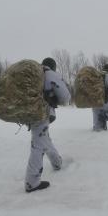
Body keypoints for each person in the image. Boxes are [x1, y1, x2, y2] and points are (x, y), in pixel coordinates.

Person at [25, 57, 71, 193]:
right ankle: (31, 183)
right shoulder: (50, 74)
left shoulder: (33, 74)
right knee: (38, 144)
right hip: (42, 112)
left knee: (43, 137)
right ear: (53, 66)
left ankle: (57, 162)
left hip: (29, 112)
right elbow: (65, 96)